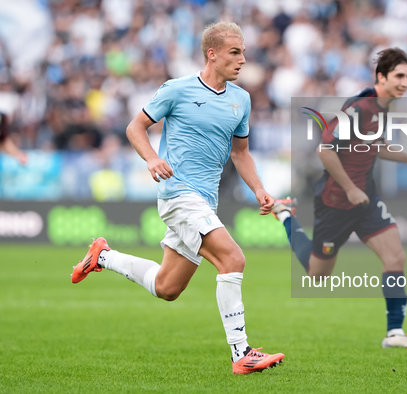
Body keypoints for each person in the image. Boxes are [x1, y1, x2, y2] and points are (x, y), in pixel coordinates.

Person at [71, 22, 284, 374]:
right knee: (233, 259)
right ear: (211, 54)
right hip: (178, 195)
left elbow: (241, 153)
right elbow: (134, 127)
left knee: (167, 287)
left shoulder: (241, 100)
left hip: (204, 201)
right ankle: (241, 353)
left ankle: (103, 256)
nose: (243, 59)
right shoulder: (177, 89)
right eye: (235, 52)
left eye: (244, 52)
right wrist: (153, 158)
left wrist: (259, 189)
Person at [273, 48, 407, 349]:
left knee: (395, 256)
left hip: (365, 198)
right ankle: (286, 215)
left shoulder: (383, 108)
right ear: (381, 77)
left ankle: (394, 333)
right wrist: (349, 188)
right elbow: (325, 149)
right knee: (317, 274)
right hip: (337, 201)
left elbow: (376, 146)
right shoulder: (360, 108)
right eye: (399, 75)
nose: (405, 81)